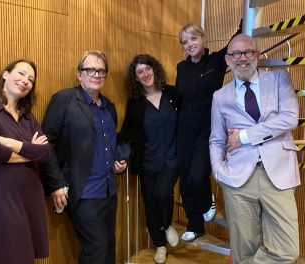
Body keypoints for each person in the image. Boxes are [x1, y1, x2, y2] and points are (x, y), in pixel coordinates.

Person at [209, 34, 300, 263]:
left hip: (277, 174)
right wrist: (220, 172)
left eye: (248, 52)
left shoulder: (279, 79)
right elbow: (217, 140)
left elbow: (290, 118)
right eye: (235, 54)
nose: (242, 58)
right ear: (228, 60)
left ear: (257, 55)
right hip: (237, 178)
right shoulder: (220, 96)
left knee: (287, 250)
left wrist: (245, 137)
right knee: (243, 250)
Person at [40, 50, 127, 264]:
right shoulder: (65, 99)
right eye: (90, 70)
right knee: (96, 249)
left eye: (101, 71)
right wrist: (56, 184)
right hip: (83, 192)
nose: (96, 74)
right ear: (80, 74)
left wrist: (119, 160)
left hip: (109, 190)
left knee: (108, 246)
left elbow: (110, 141)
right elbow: (46, 144)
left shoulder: (109, 107)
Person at [0, 59, 51, 264]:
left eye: (31, 79)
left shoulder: (28, 118)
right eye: (21, 74)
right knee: (10, 256)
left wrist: (10, 143)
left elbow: (45, 154)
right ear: (5, 75)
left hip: (30, 196)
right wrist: (29, 151)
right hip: (3, 197)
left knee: (27, 258)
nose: (26, 81)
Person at [175, 22, 240, 242]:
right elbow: (179, 97)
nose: (189, 44)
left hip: (209, 126)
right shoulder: (181, 68)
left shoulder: (216, 61)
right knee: (185, 180)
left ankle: (206, 200)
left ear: (203, 39)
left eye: (193, 39)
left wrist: (243, 21)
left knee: (197, 174)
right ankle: (195, 225)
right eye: (185, 42)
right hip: (184, 128)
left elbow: (237, 38)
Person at [120, 54, 180, 264]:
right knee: (150, 202)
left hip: (173, 158)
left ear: (155, 69)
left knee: (162, 193)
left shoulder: (173, 94)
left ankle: (167, 225)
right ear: (135, 77)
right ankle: (160, 245)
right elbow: (127, 131)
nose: (145, 74)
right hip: (147, 161)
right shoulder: (135, 103)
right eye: (140, 72)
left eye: (148, 69)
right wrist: (119, 154)